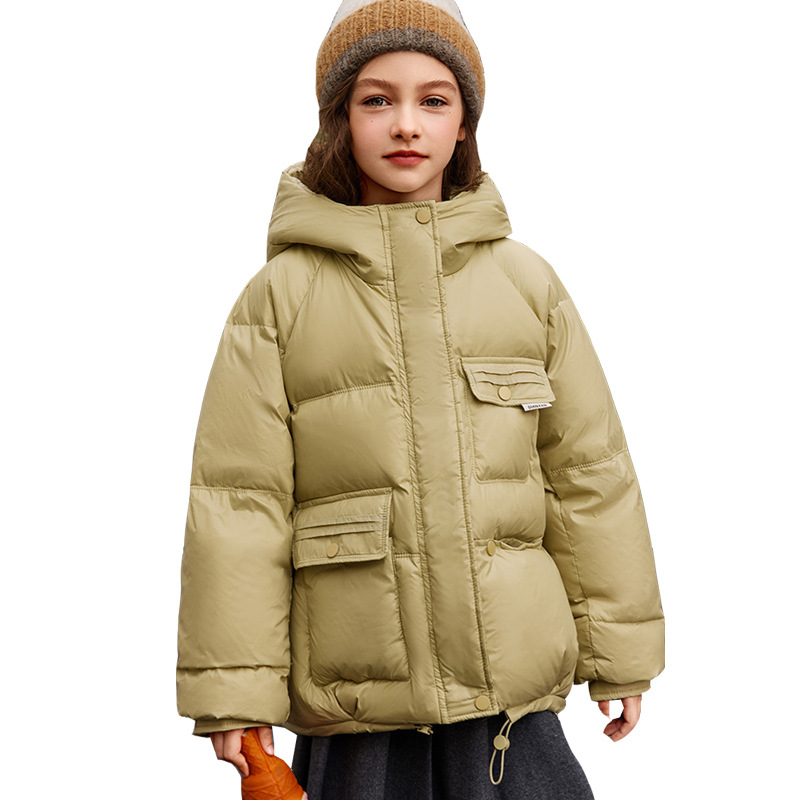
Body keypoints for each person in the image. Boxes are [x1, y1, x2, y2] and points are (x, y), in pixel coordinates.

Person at [176, 1, 666, 797]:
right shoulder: (279, 299)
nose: (406, 122)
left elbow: (589, 476)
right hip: (361, 708)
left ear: (464, 122)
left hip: (510, 703)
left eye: (433, 99)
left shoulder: (527, 285)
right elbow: (239, 504)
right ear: (340, 119)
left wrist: (619, 649)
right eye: (377, 98)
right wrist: (235, 690)